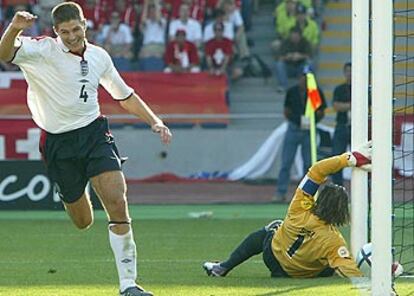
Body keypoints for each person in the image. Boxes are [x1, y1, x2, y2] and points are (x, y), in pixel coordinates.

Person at [0, 2, 172, 296]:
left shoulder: (98, 56)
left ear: (85, 24)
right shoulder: (41, 50)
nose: (71, 36)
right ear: (55, 31)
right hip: (58, 142)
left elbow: (124, 95)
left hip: (94, 134)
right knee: (83, 222)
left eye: (75, 29)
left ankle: (128, 284)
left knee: (117, 203)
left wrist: (154, 121)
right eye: (64, 31)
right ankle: (78, 190)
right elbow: (3, 53)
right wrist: (14, 27)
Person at [203, 143, 372, 279]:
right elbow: (347, 269)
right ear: (342, 211)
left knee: (274, 226)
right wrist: (376, 272)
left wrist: (348, 159)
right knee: (331, 261)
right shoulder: (334, 240)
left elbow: (316, 171)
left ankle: (223, 267)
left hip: (274, 259)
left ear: (321, 199)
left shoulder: (299, 207)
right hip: (301, 274)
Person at [275, 70, 326, 201]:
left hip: (308, 130)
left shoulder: (314, 92)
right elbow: (286, 110)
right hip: (294, 128)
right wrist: (295, 120)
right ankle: (281, 192)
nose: (303, 81)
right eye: (302, 78)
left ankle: (307, 194)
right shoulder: (292, 92)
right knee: (286, 161)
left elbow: (320, 110)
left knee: (308, 163)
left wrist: (313, 121)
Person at [331, 62, 352, 186]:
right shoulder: (339, 89)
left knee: (361, 158)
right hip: (342, 126)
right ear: (344, 73)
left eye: (352, 71)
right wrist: (352, 105)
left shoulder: (365, 88)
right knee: (337, 158)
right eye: (348, 71)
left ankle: (365, 188)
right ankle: (337, 187)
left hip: (358, 129)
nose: (350, 74)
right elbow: (336, 106)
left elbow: (369, 107)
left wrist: (344, 106)